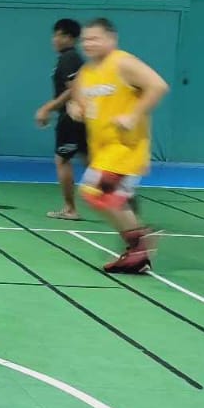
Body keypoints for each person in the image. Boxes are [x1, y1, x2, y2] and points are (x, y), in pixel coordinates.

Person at [68, 18, 169, 273]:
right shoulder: (86, 73)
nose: (88, 43)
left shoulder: (122, 62)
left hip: (126, 148)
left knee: (98, 192)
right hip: (103, 151)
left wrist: (133, 115)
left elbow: (158, 86)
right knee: (99, 195)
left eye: (95, 38)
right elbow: (78, 100)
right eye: (85, 39)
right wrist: (74, 107)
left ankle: (139, 242)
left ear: (111, 40)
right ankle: (137, 249)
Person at [34, 18, 86, 220]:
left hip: (72, 118)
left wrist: (47, 108)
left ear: (69, 38)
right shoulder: (68, 58)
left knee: (62, 160)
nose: (54, 39)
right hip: (77, 116)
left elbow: (73, 89)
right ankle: (121, 202)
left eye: (59, 35)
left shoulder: (69, 58)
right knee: (90, 161)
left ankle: (71, 209)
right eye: (54, 34)